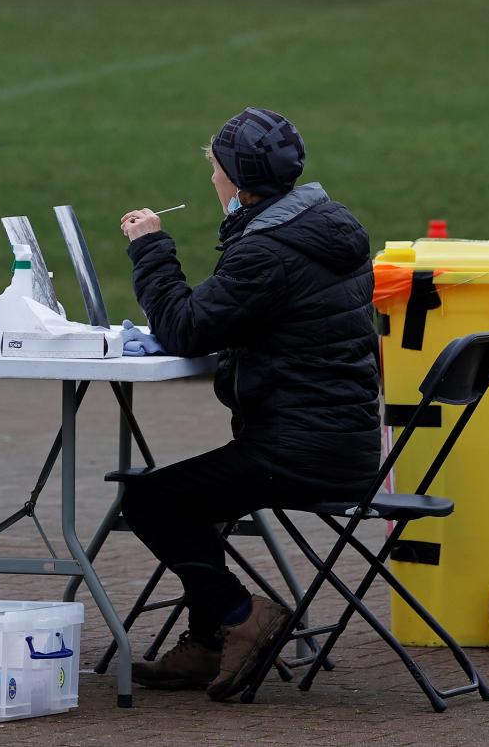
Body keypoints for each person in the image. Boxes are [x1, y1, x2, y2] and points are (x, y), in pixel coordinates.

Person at [117, 107, 380, 699]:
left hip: (302, 450)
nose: (211, 179)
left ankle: (241, 617)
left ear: (238, 179)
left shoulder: (268, 251)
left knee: (151, 500)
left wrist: (151, 248)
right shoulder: (325, 223)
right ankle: (209, 643)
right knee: (192, 495)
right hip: (342, 440)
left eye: (214, 167)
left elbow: (186, 329)